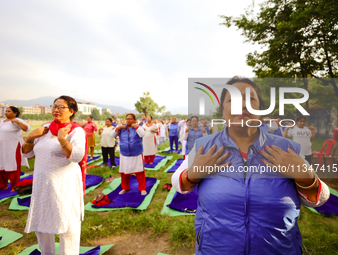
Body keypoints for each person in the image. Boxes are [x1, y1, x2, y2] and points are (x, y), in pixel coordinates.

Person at [172, 77, 329, 255]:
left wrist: (306, 179)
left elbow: (320, 198)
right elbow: (177, 182)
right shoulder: (205, 147)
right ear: (222, 112)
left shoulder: (286, 149)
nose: (243, 104)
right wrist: (191, 174)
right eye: (233, 100)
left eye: (250, 99)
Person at [22, 95, 87, 255]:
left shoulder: (76, 131)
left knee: (68, 224)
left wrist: (62, 139)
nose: (55, 109)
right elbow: (27, 154)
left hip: (65, 183)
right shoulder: (44, 129)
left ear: (72, 111)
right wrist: (30, 137)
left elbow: (77, 156)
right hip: (42, 182)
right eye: (54, 106)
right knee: (43, 217)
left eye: (61, 107)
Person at [110, 113, 147, 195]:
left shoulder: (138, 128)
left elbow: (142, 134)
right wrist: (118, 128)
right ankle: (125, 187)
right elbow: (112, 135)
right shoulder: (121, 128)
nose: (128, 120)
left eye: (130, 119)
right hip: (124, 153)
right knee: (124, 172)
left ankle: (142, 188)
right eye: (127, 119)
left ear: (134, 120)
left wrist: (136, 126)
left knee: (139, 172)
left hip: (136, 153)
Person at [0, 106, 30, 191]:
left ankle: (15, 186)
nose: (6, 112)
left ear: (15, 113)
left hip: (12, 147)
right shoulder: (2, 121)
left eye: (9, 111)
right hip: (0, 148)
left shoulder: (18, 121)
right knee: (0, 165)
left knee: (13, 165)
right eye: (6, 111)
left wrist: (17, 122)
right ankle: (2, 185)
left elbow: (27, 129)